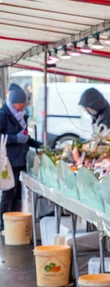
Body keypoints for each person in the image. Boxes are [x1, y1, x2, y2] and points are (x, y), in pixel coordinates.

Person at [0, 83, 42, 230]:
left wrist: (38, 145)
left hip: (20, 161)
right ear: (14, 102)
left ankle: (15, 223)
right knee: (8, 192)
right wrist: (15, 138)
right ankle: (4, 224)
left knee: (18, 193)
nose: (24, 105)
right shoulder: (3, 115)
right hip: (8, 162)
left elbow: (25, 137)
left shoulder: (21, 115)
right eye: (22, 103)